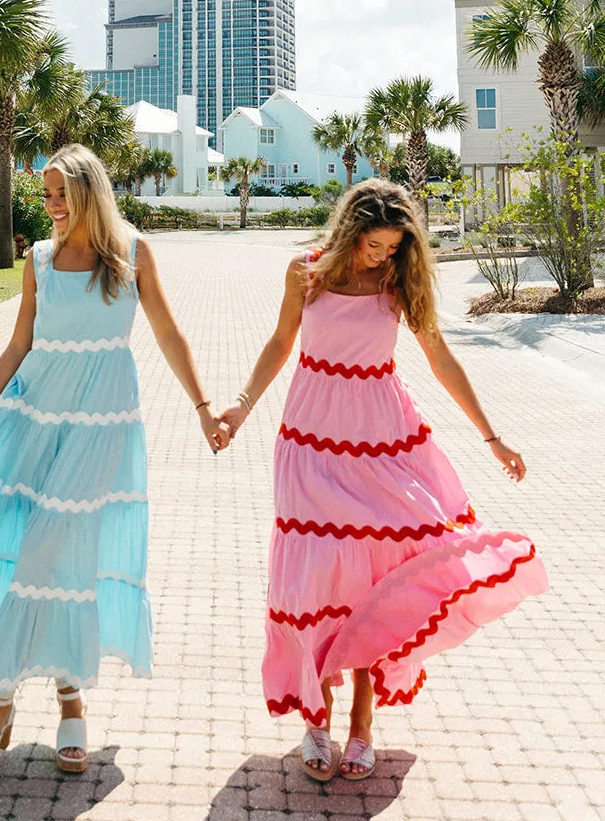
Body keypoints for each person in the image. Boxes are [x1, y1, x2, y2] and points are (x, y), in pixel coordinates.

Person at [0, 143, 228, 785]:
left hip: (101, 425)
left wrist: (203, 406)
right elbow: (20, 341)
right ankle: (70, 697)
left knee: (50, 554)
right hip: (34, 420)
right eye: (45, 194)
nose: (49, 205)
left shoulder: (132, 253)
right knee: (50, 558)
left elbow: (166, 332)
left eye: (60, 194)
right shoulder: (40, 260)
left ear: (88, 194)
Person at [219, 179, 548, 783]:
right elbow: (280, 342)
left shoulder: (399, 285)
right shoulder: (306, 274)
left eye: (393, 248)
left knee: (380, 576)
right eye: (374, 245)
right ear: (350, 231)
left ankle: (362, 727)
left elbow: (440, 357)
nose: (382, 257)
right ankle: (315, 718)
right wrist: (239, 407)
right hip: (311, 441)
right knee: (315, 580)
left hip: (383, 439)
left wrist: (492, 435)